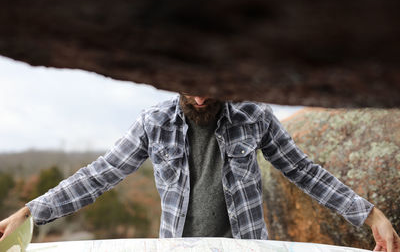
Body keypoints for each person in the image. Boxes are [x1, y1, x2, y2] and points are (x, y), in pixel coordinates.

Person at [0, 94, 399, 251]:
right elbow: (100, 174)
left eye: (211, 85)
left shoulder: (255, 117)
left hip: (245, 249)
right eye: (189, 86)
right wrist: (32, 211)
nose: (200, 97)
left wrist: (370, 214)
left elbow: (305, 171)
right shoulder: (153, 123)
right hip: (179, 249)